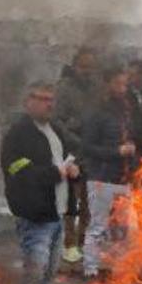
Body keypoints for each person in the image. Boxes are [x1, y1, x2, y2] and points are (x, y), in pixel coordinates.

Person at [2, 82, 78, 284]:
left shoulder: (54, 130)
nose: (49, 104)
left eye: (51, 99)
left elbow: (69, 156)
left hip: (57, 213)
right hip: (35, 216)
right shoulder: (19, 133)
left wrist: (74, 170)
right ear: (28, 102)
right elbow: (17, 170)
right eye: (43, 99)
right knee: (34, 274)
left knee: (49, 275)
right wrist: (55, 173)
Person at [80, 68, 141, 279]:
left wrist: (130, 151)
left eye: (125, 84)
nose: (123, 89)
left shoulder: (126, 111)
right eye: (118, 84)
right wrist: (116, 151)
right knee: (97, 225)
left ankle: (116, 268)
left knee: (122, 229)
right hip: (101, 178)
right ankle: (90, 269)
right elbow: (87, 147)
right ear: (107, 84)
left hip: (123, 178)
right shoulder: (96, 112)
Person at [54, 49, 101, 266]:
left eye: (90, 67)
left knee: (88, 202)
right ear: (74, 67)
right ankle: (69, 244)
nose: (87, 72)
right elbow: (57, 122)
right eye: (83, 67)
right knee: (70, 201)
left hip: (91, 153)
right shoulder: (64, 89)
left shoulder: (97, 88)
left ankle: (83, 243)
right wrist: (75, 138)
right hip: (70, 153)